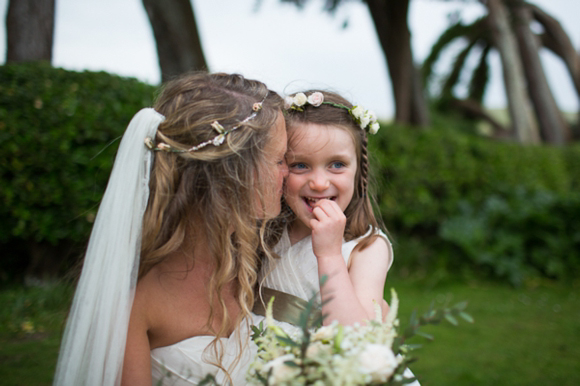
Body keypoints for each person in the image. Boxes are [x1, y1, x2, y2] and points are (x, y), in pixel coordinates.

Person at [53, 72, 288, 386]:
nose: (290, 173)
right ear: (233, 174)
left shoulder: (274, 261)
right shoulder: (131, 304)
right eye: (281, 160)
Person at [257, 90, 391, 326]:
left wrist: (329, 254)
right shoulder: (265, 230)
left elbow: (357, 336)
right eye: (300, 165)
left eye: (337, 165)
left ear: (358, 171)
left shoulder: (366, 248)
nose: (319, 183)